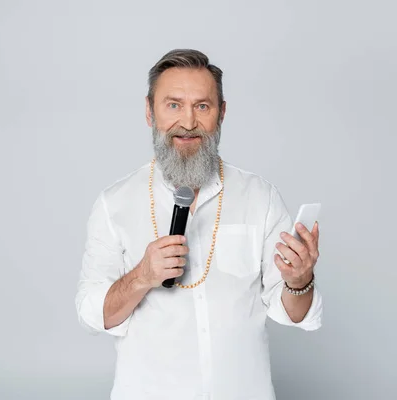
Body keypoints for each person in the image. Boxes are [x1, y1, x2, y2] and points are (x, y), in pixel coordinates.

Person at [74, 49, 323, 400]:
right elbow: (92, 315)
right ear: (149, 111)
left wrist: (300, 280)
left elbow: (292, 313)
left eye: (202, 106)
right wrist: (142, 276)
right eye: (173, 105)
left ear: (221, 113)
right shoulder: (113, 204)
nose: (188, 122)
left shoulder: (260, 197)